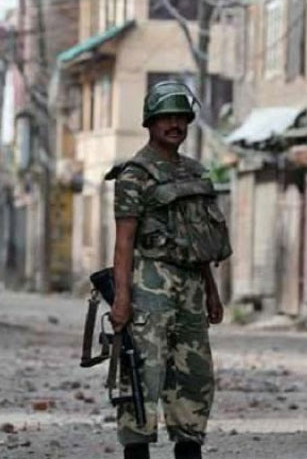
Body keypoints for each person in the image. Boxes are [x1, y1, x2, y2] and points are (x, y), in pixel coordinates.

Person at [109, 81, 233, 459]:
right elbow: (124, 242)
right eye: (167, 117)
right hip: (150, 286)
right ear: (150, 122)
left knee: (194, 378)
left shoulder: (195, 172)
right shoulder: (135, 175)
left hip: (192, 288)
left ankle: (189, 446)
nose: (175, 124)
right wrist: (122, 299)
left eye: (181, 117)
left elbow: (199, 242)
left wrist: (211, 291)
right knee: (143, 379)